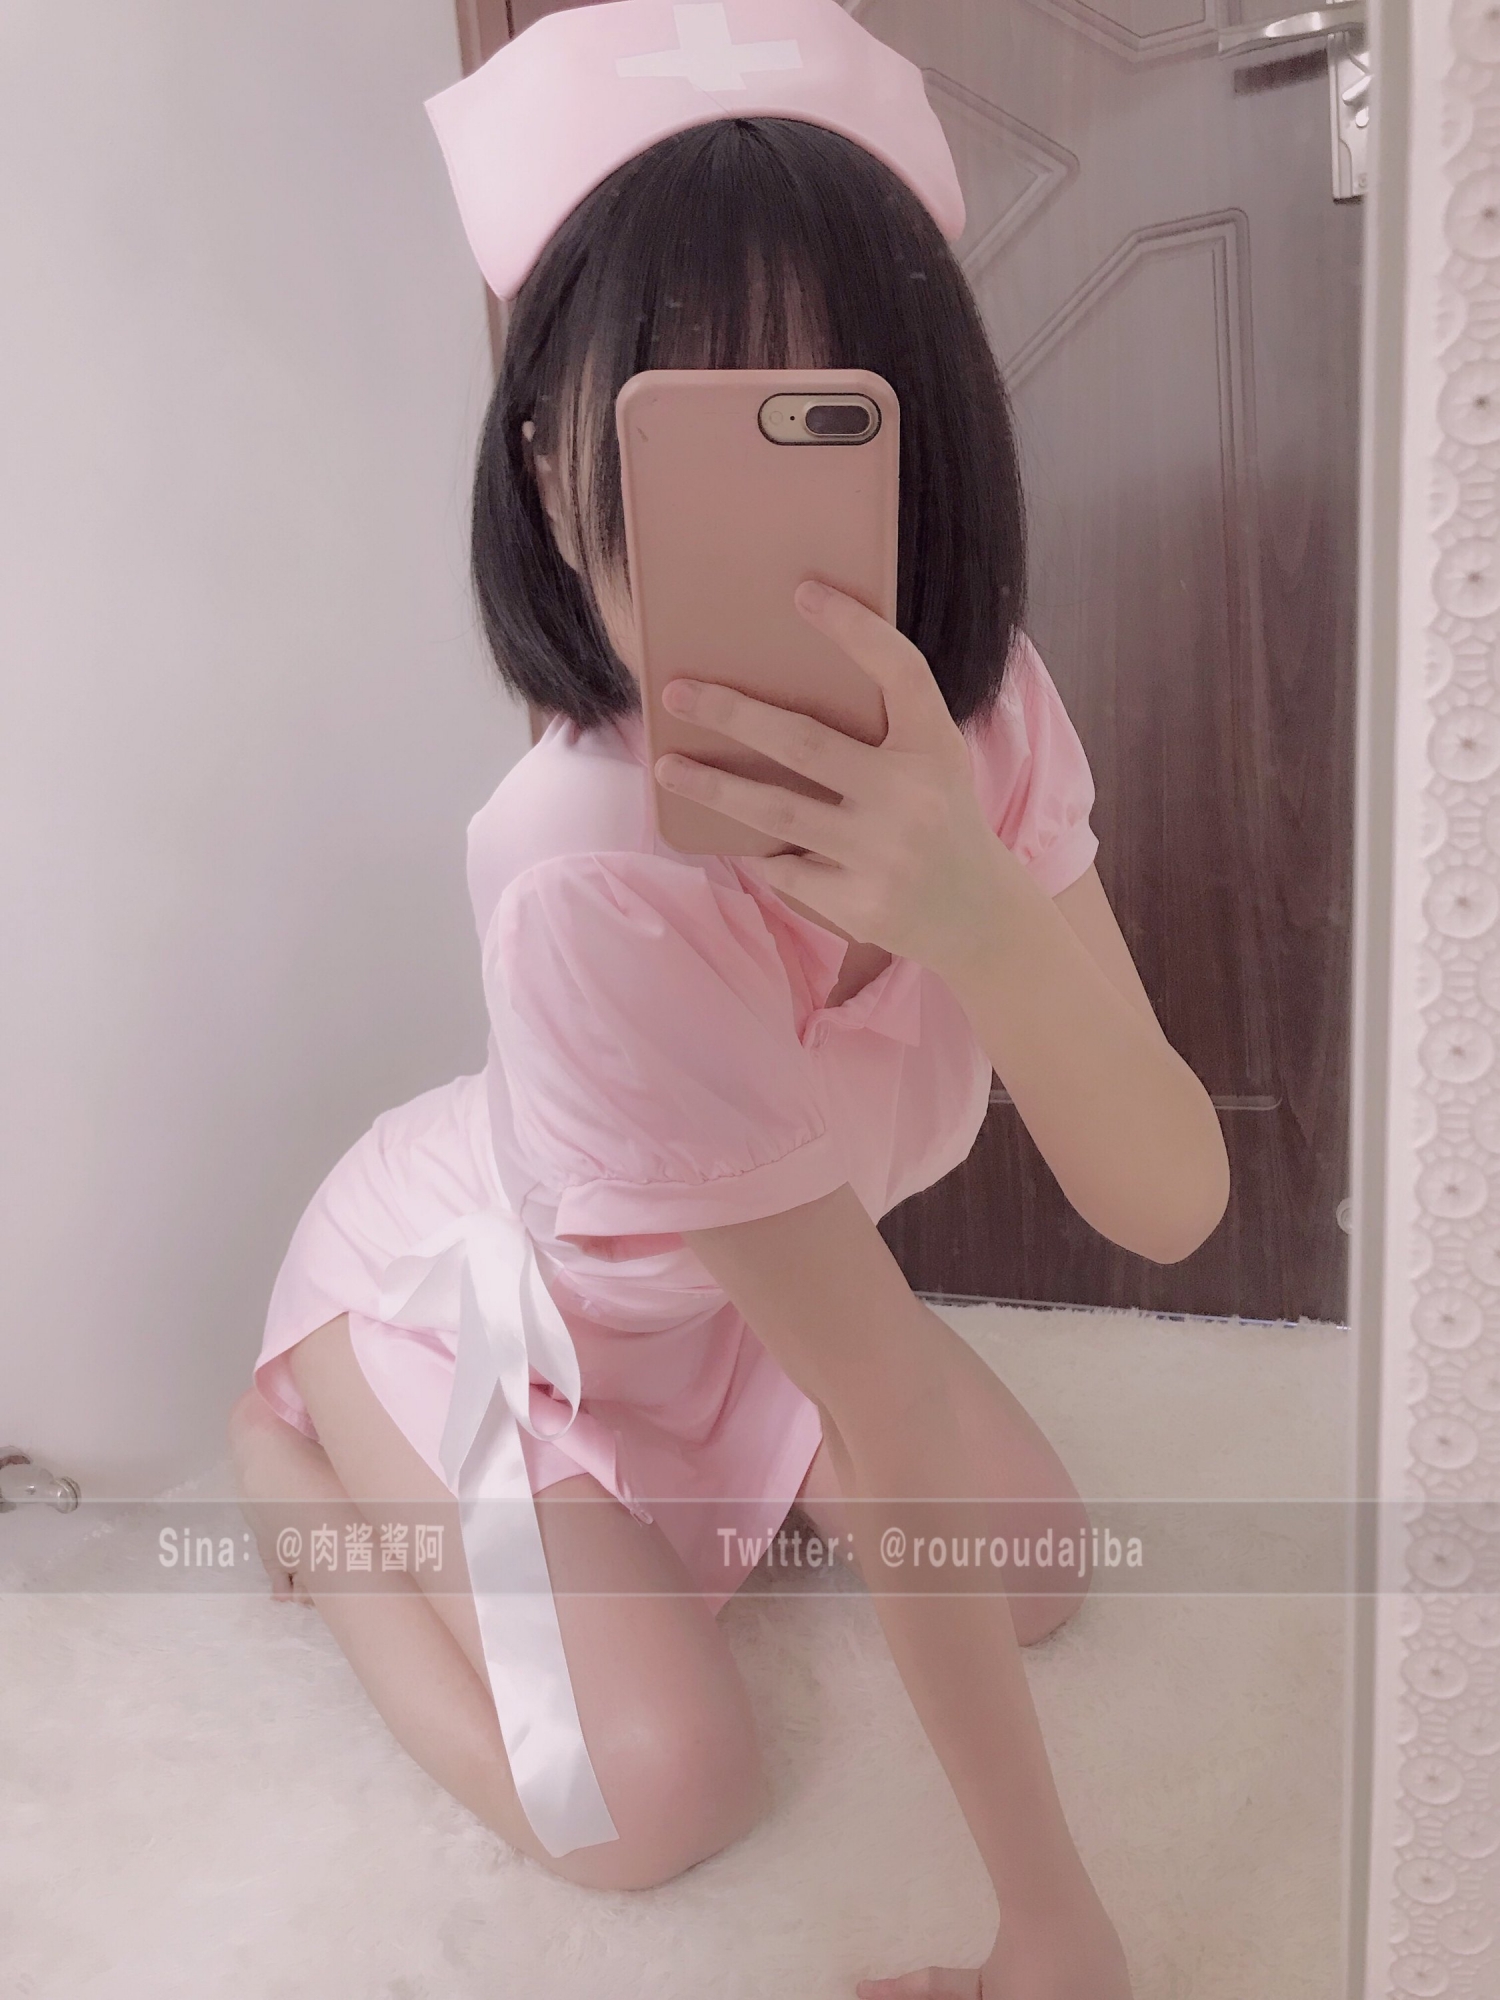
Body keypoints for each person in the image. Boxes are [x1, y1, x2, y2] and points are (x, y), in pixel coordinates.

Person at [227, 5, 1229, 1995]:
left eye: (822, 423)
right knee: (645, 1794)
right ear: (552, 474)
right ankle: (304, 1473)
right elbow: (874, 1383)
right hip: (487, 1311)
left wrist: (974, 907)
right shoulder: (579, 870)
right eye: (676, 437)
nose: (751, 523)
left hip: (729, 1296)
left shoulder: (989, 722)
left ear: (927, 444)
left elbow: (1170, 1198)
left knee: (1033, 1567)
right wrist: (1054, 1921)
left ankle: (673, 1495)